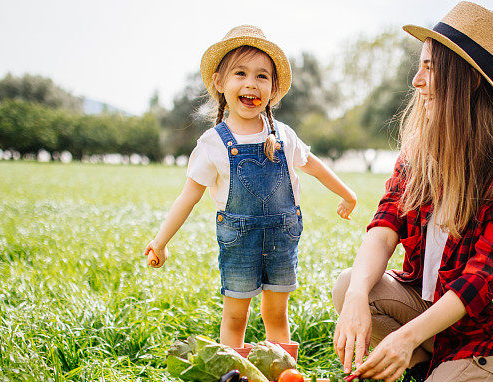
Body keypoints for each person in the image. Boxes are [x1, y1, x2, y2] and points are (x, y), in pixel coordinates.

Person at [332, 2, 493, 382]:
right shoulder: (423, 144)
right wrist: (356, 298)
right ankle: (433, 367)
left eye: (429, 69)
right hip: (436, 307)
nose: (416, 81)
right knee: (350, 285)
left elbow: (482, 282)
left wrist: (406, 337)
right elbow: (386, 221)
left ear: (466, 79)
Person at [146, 25, 357, 350]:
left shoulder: (284, 135)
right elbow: (188, 196)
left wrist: (347, 194)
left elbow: (314, 166)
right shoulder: (213, 144)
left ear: (273, 88)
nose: (251, 83)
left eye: (262, 76)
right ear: (219, 82)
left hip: (281, 239)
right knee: (235, 316)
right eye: (240, 73)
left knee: (276, 314)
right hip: (239, 243)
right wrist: (160, 242)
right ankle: (234, 381)